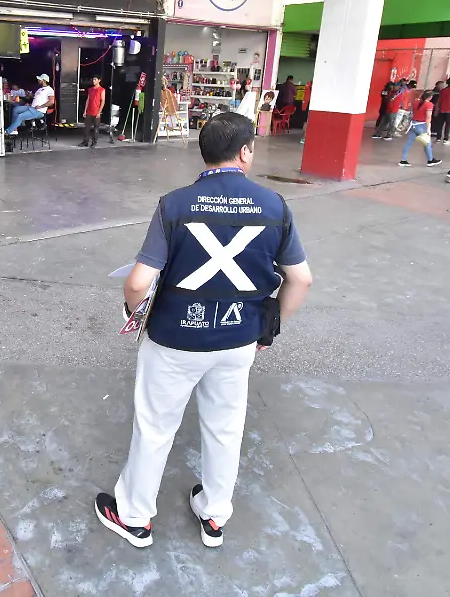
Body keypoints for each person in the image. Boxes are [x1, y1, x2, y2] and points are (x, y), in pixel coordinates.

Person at [95, 113, 312, 550]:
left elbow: (138, 282)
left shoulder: (174, 205)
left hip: (174, 338)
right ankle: (214, 515)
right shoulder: (275, 206)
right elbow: (301, 278)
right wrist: (268, 329)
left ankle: (135, 517)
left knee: (156, 426)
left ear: (203, 151)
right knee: (225, 427)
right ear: (246, 152)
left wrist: (137, 312)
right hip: (238, 338)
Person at [399, 91, 442, 167]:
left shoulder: (416, 102)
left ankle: (403, 160)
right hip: (422, 126)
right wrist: (428, 129)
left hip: (413, 125)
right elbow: (428, 118)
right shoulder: (429, 105)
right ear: (430, 97)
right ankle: (430, 160)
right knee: (427, 143)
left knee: (408, 143)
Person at [80, 75, 106, 147]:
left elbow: (103, 101)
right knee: (86, 128)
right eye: (93, 79)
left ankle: (94, 142)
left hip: (96, 112)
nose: (93, 81)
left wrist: (99, 112)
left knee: (96, 128)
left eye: (95, 79)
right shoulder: (90, 89)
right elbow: (88, 100)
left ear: (99, 80)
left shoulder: (102, 90)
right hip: (89, 111)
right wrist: (85, 111)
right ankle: (85, 141)